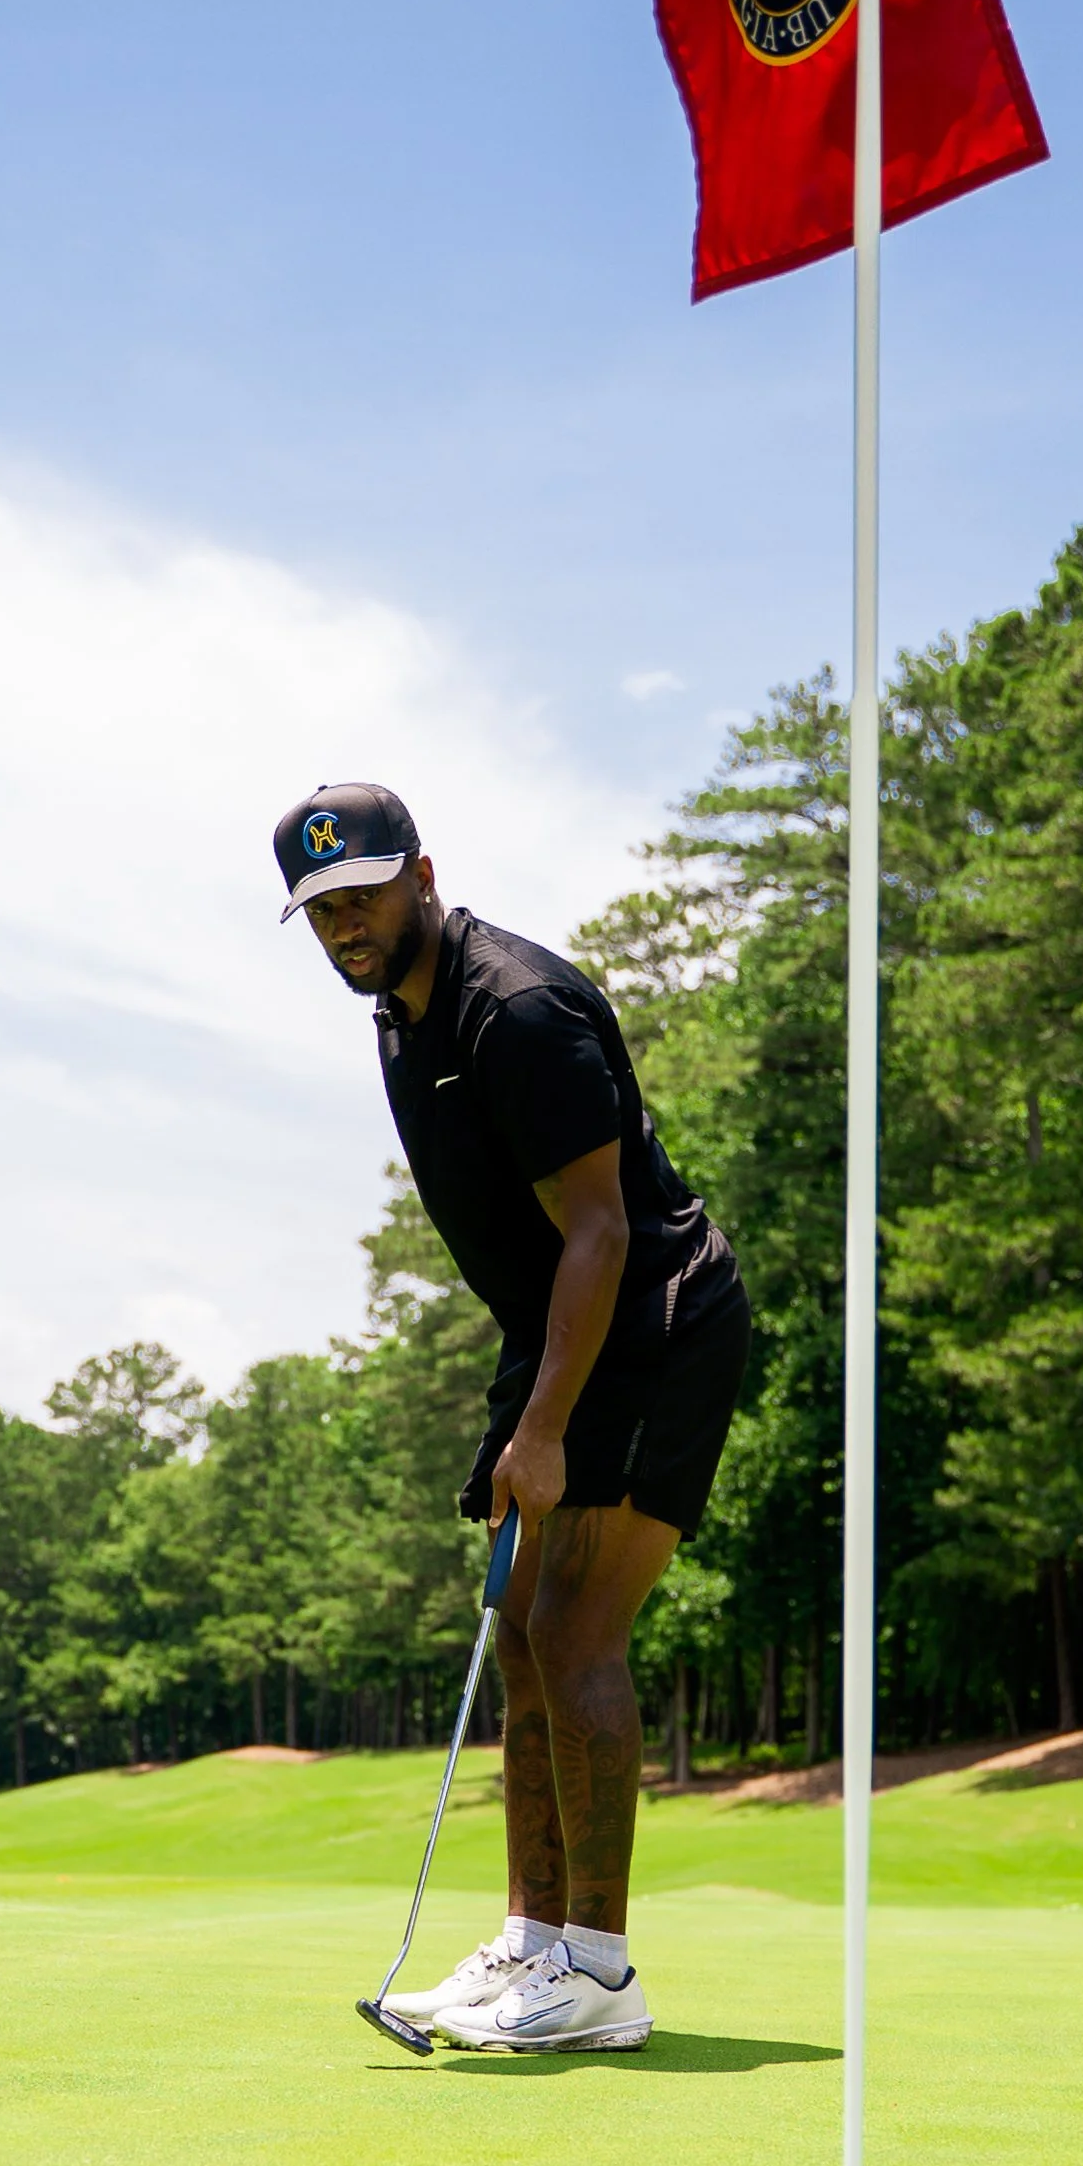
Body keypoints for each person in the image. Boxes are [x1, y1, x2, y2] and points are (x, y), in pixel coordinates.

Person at [273, 780, 751, 2051]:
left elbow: (599, 1231)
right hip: (555, 1328)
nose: (347, 925)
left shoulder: (517, 1011)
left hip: (654, 1319)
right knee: (518, 1628)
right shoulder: (395, 1019)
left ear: (424, 876)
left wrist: (541, 1428)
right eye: (322, 910)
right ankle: (532, 1946)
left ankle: (598, 1978)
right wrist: (521, 1406)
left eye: (365, 895)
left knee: (576, 1626)